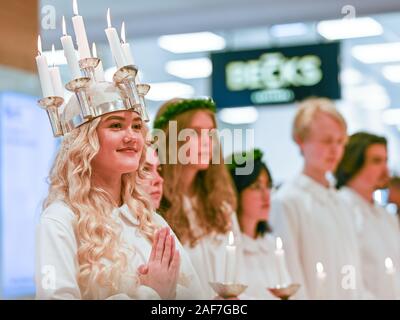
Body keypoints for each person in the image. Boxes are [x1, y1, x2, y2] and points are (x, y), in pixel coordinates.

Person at [35, 82, 203, 300]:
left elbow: (197, 297)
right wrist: (150, 294)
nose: (131, 136)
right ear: (85, 140)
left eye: (136, 126)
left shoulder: (149, 221)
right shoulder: (60, 220)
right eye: (116, 126)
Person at [270, 97, 365, 299]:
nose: (335, 150)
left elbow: (353, 269)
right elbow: (291, 277)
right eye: (326, 141)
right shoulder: (287, 201)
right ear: (300, 140)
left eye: (340, 142)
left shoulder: (342, 201)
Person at [153, 98, 246, 298]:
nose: (207, 142)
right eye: (194, 133)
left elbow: (239, 274)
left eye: (211, 134)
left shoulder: (222, 207)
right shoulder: (153, 208)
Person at [335, 132, 400, 299]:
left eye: (386, 160)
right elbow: (345, 276)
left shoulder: (385, 215)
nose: (386, 169)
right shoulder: (340, 208)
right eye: (377, 161)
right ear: (353, 163)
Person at [227, 149, 290, 299]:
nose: (266, 195)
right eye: (256, 187)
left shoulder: (271, 245)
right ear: (236, 191)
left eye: (268, 186)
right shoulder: (227, 248)